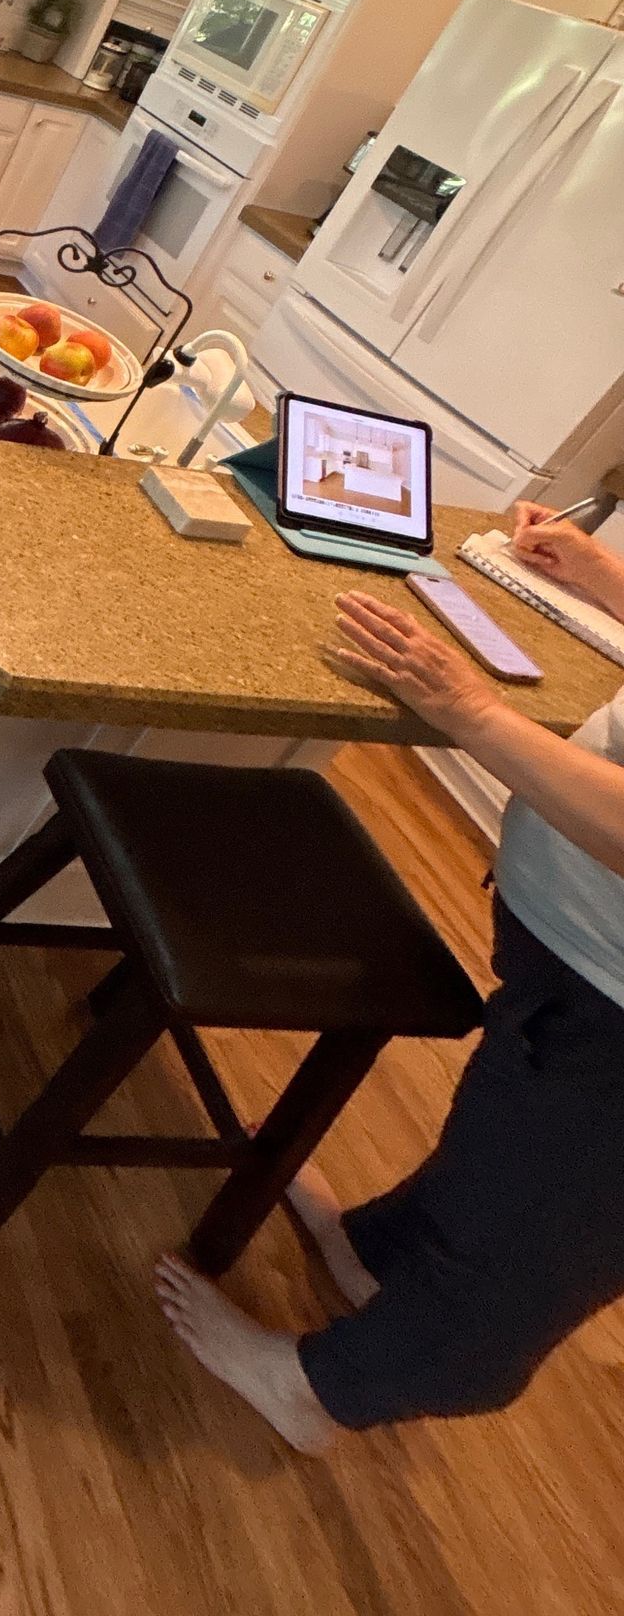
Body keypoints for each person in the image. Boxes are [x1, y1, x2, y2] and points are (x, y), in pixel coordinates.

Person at [155, 502, 624, 1451]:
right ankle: (376, 1261)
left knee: (526, 1259)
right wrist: (606, 580)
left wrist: (471, 711)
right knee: (514, 1155)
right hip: (581, 965)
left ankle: (316, 1394)